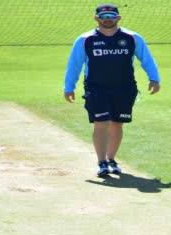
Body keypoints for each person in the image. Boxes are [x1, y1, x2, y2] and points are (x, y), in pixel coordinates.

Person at [64, 4, 161, 178]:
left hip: (125, 88)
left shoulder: (132, 38)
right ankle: (101, 162)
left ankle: (111, 160)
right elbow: (74, 65)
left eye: (111, 16)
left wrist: (154, 79)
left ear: (118, 18)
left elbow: (147, 59)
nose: (107, 19)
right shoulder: (85, 39)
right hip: (96, 88)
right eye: (103, 16)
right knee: (101, 123)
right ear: (96, 18)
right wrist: (69, 87)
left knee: (117, 123)